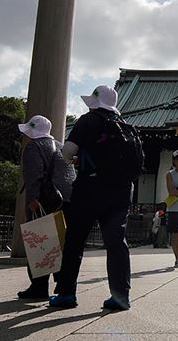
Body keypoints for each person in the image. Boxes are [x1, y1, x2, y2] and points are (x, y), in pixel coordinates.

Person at [52, 85, 139, 311]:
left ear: (95, 101)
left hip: (90, 188)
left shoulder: (88, 120)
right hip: (121, 190)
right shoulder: (125, 126)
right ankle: (121, 296)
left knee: (75, 240)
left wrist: (79, 158)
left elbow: (67, 152)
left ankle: (66, 293)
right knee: (116, 242)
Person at [16, 114, 76, 300]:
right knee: (61, 244)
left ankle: (39, 286)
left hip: (45, 200)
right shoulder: (60, 146)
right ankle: (62, 284)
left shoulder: (34, 147)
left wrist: (33, 198)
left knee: (40, 242)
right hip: (66, 200)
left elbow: (34, 175)